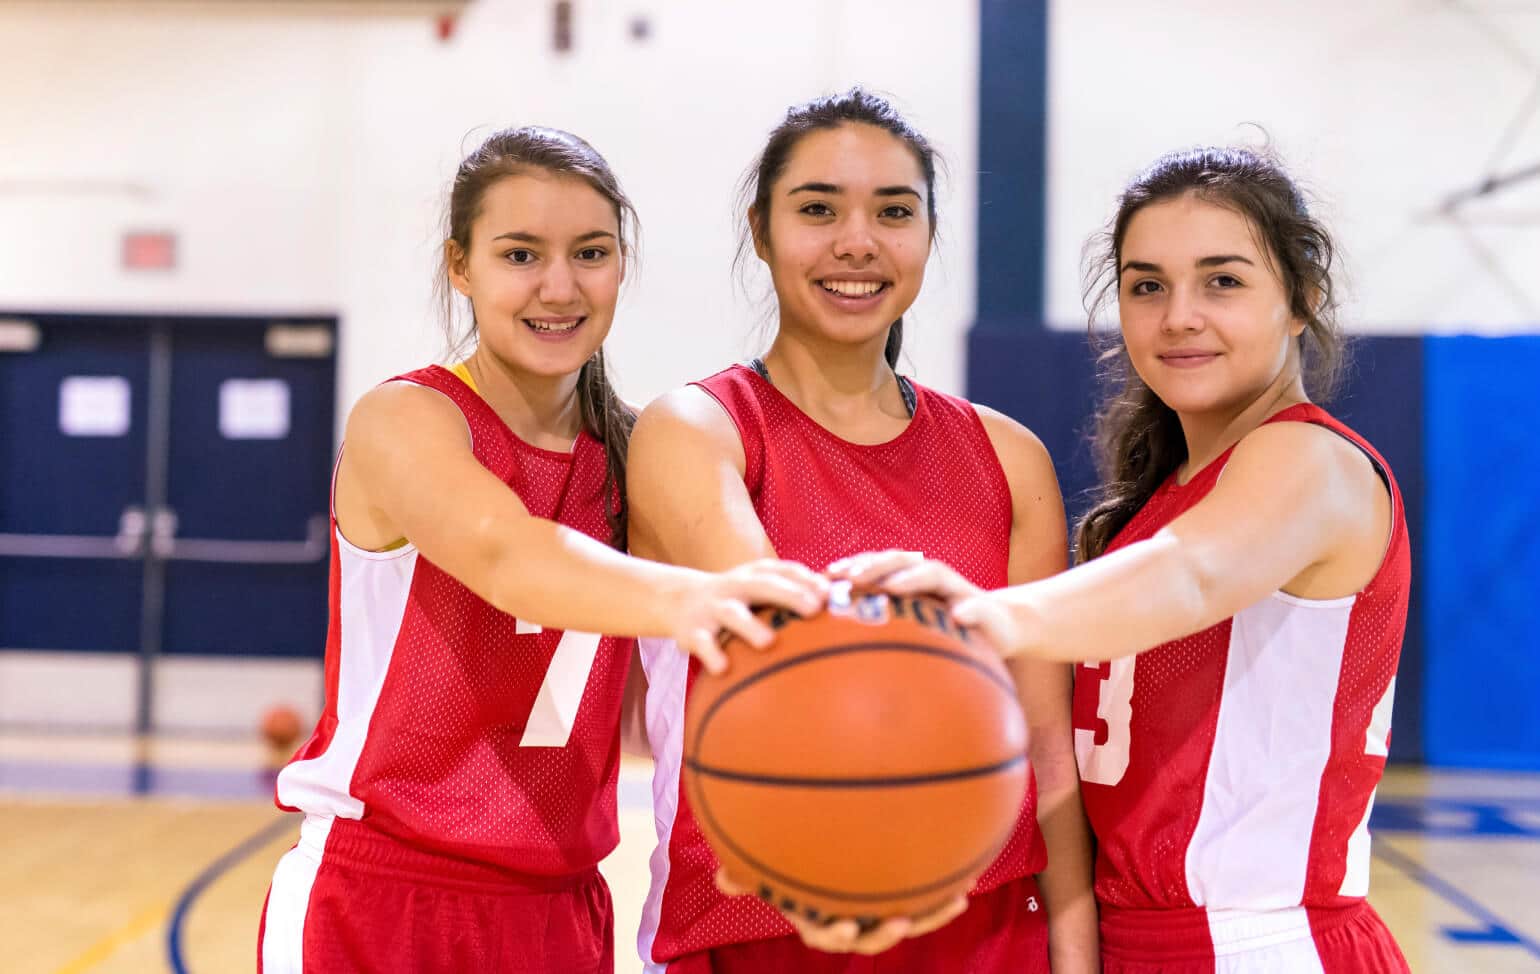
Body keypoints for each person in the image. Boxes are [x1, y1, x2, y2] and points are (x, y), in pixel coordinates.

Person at [257, 126, 827, 974]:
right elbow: (510, 558)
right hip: (381, 895)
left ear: (621, 265)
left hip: (560, 910)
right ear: (462, 266)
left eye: (590, 253)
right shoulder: (409, 420)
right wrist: (701, 595)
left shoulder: (640, 454)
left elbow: (646, 704)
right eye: (520, 254)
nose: (559, 287)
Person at [835, 146, 1412, 973]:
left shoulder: (1312, 463)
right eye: (1148, 286)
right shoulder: (1160, 499)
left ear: (1301, 299)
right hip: (1140, 939)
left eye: (1223, 281)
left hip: (1261, 940)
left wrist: (983, 613)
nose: (1179, 315)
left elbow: (1193, 573)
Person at [627, 89, 1098, 973]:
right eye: (817, 210)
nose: (857, 242)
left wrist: (1074, 953)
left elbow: (1047, 748)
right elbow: (789, 667)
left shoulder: (1008, 457)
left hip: (985, 921)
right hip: (760, 924)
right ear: (760, 231)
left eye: (894, 212)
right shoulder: (696, 428)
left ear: (927, 236)